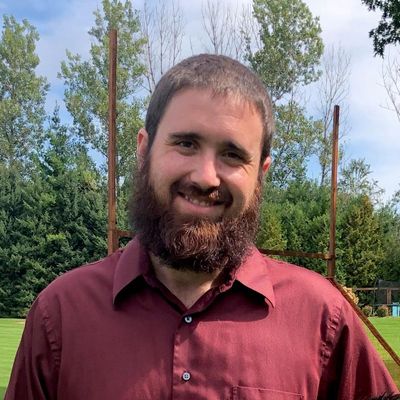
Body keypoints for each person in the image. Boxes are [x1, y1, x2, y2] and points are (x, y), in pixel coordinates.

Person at [6, 54, 398, 400]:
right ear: (144, 150)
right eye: (186, 144)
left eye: (232, 154)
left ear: (260, 174)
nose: (206, 177)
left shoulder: (324, 318)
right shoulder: (60, 316)